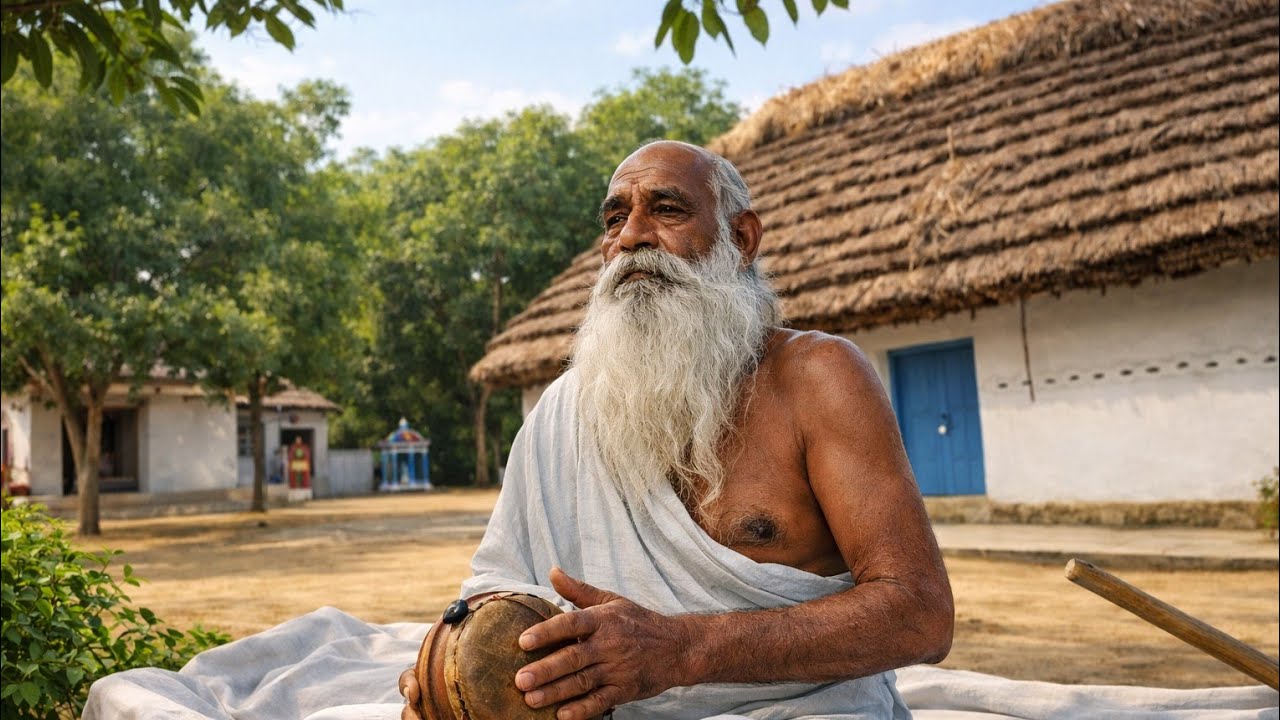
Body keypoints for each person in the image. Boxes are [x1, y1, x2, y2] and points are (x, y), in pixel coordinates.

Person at [400, 140, 953, 719]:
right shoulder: (565, 409)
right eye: (616, 218)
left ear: (741, 240)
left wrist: (684, 649)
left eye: (666, 210)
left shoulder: (820, 379)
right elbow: (497, 587)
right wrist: (449, 667)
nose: (632, 236)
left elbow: (919, 614)